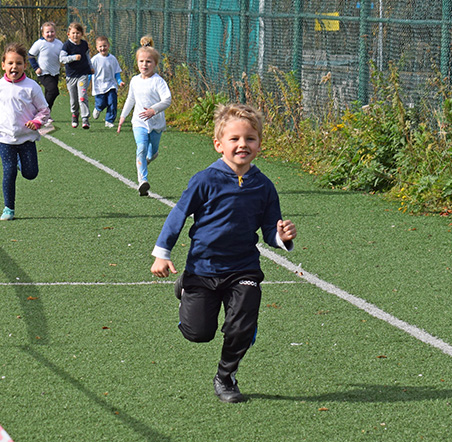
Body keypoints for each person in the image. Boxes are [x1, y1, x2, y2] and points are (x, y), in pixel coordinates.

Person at [150, 103, 297, 403]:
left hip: (242, 268)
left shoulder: (264, 186)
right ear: (219, 144)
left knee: (241, 324)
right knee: (198, 333)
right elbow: (178, 215)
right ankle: (185, 288)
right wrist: (162, 253)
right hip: (203, 268)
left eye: (250, 139)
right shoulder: (205, 180)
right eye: (235, 139)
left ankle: (226, 377)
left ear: (259, 144)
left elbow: (269, 228)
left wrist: (279, 237)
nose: (243, 144)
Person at [0, 43, 50, 221]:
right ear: (3, 64)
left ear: (25, 65)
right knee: (9, 171)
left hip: (26, 138)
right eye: (10, 63)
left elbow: (44, 110)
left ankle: (22, 162)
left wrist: (36, 122)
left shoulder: (32, 87)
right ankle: (9, 208)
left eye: (19, 63)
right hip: (4, 137)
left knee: (30, 173)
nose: (14, 67)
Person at [117, 45, 171, 196]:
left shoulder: (158, 81)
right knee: (141, 147)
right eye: (141, 61)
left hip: (156, 124)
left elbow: (167, 99)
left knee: (151, 153)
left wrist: (154, 110)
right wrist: (123, 117)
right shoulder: (135, 81)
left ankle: (149, 157)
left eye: (148, 61)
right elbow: (130, 99)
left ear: (155, 64)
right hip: (139, 122)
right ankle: (143, 181)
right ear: (137, 63)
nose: (144, 65)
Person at [59, 22, 94, 129]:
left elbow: (87, 55)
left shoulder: (84, 44)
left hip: (82, 74)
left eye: (78, 33)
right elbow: (62, 59)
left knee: (82, 97)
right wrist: (73, 57)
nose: (75, 35)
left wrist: (90, 66)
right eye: (73, 33)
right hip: (71, 76)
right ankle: (75, 114)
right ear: (69, 34)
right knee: (74, 99)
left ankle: (85, 118)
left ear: (81, 34)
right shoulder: (66, 46)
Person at [28, 21, 62, 116]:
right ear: (43, 33)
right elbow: (30, 55)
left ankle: (45, 114)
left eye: (52, 32)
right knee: (53, 91)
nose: (50, 34)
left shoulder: (59, 44)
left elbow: (63, 55)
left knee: (48, 93)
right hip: (43, 73)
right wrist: (36, 67)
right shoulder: (40, 43)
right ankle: (44, 112)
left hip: (55, 72)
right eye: (47, 32)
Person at [90, 36, 124, 128]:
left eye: (104, 46)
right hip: (99, 86)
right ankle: (98, 108)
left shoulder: (113, 59)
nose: (102, 48)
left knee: (112, 101)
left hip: (111, 85)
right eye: (100, 46)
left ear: (108, 46)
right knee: (101, 103)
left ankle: (109, 120)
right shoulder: (94, 59)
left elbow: (116, 72)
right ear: (97, 48)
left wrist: (119, 81)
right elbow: (90, 72)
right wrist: (86, 82)